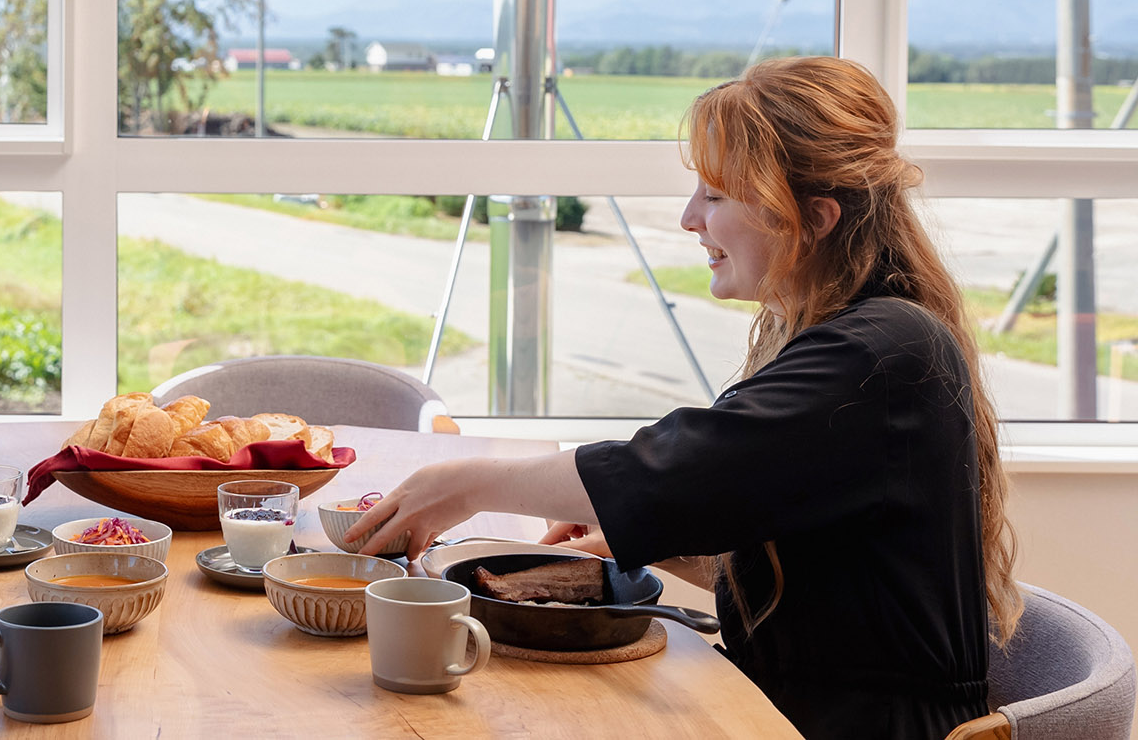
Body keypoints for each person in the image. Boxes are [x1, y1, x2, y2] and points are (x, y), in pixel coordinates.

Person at [350, 56, 1019, 740]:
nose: (689, 217)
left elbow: (678, 466)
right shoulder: (859, 335)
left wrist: (469, 483)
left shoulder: (882, 352)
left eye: (717, 196)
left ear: (814, 217)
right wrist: (635, 544)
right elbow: (804, 550)